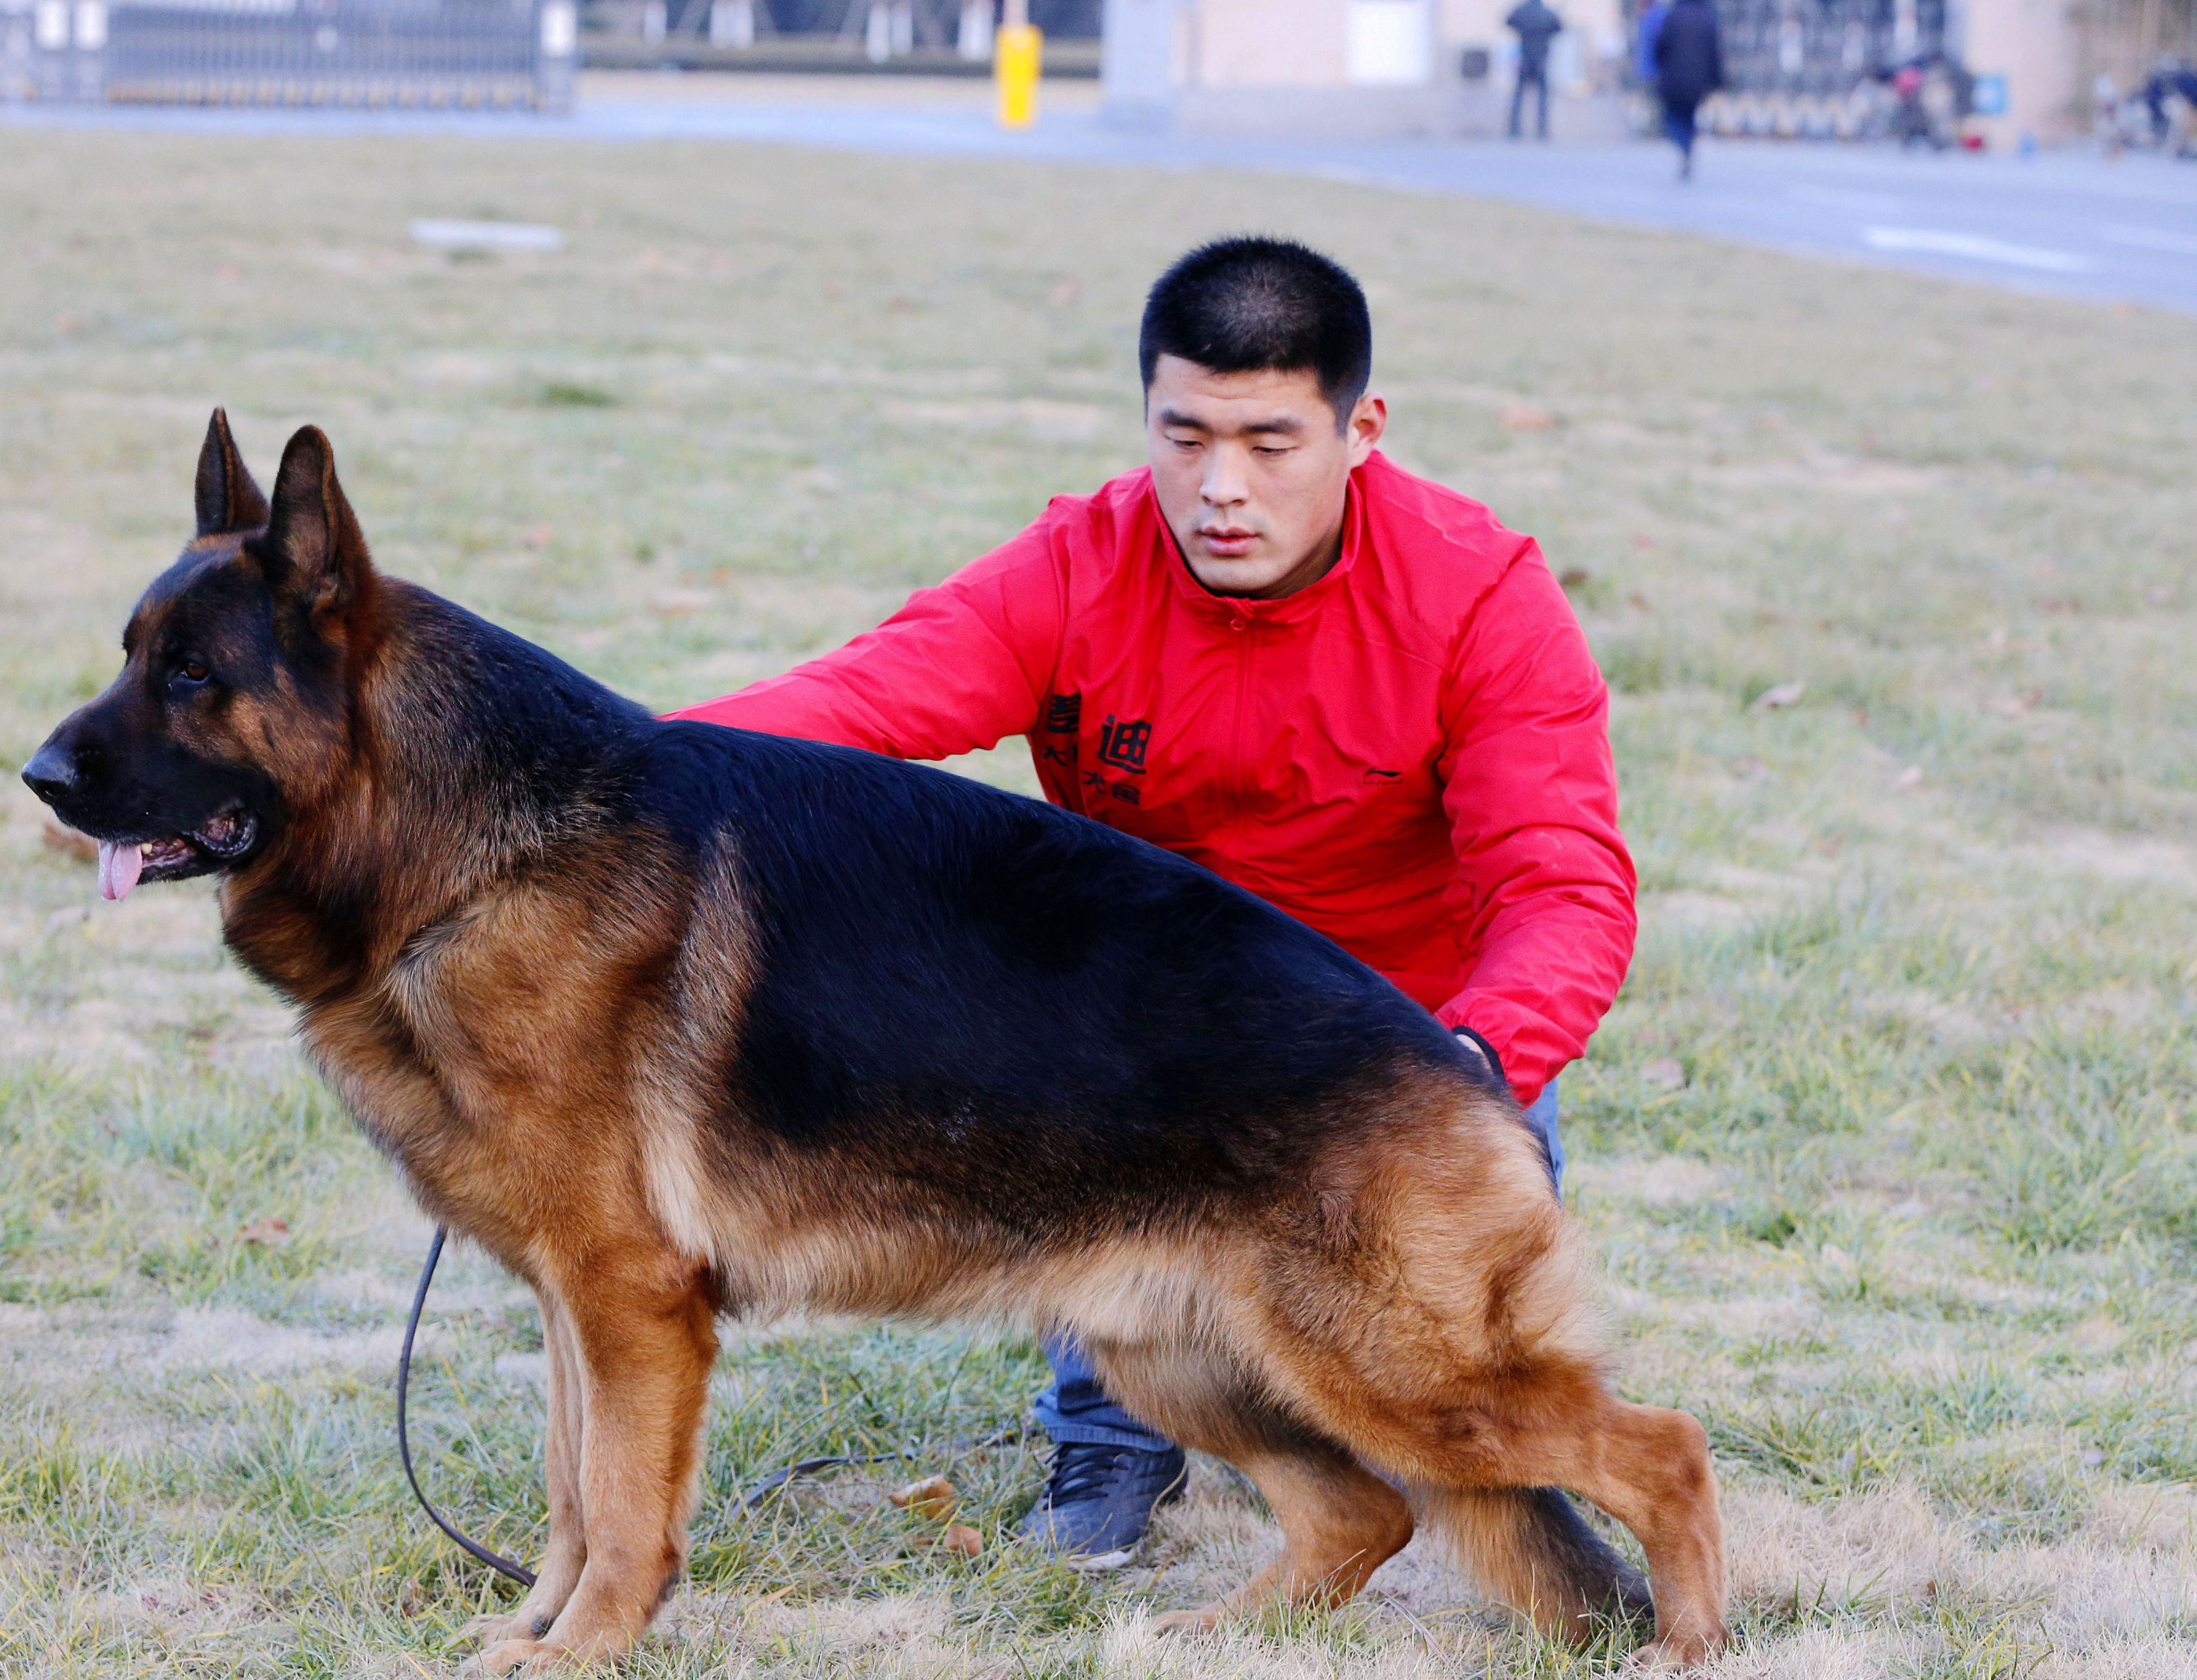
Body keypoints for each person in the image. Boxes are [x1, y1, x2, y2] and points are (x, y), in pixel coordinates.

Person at [674, 240, 1635, 1560]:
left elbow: (1562, 883)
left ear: (1361, 429)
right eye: (1183, 437)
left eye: (1269, 443)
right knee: (1064, 1088)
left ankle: (1492, 1436)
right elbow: (849, 707)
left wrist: (1476, 1062)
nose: (1219, 488)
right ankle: (1110, 1433)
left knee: (1449, 1409)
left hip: (1404, 1038)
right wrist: (613, 773)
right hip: (1144, 1043)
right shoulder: (1079, 565)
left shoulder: (1480, 595)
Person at [1652, 0, 1725, 178]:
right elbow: (1715, 50)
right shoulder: (1709, 15)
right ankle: (1687, 147)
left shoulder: (1673, 14)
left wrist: (1660, 68)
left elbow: (1661, 44)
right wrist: (1717, 80)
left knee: (1673, 116)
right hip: (1698, 78)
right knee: (1689, 115)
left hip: (1673, 76)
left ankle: (1683, 145)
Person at [1506, 0, 1564, 140]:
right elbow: (1559, 28)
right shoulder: (1547, 13)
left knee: (1519, 95)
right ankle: (1542, 129)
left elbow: (1509, 22)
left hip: (1525, 55)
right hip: (1541, 58)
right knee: (1542, 96)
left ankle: (1514, 129)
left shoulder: (1521, 11)